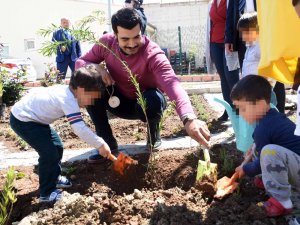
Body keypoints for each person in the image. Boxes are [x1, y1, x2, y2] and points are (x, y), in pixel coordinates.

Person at [75, 8, 210, 163]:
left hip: (146, 105)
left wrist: (189, 118)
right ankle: (107, 144)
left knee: (152, 99)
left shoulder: (153, 54)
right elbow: (80, 62)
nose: (132, 44)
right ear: (115, 35)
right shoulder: (106, 44)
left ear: (142, 32)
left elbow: (173, 85)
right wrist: (95, 67)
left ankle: (153, 135)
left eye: (136, 37)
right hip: (117, 100)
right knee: (89, 86)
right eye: (125, 39)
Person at [10, 66, 111, 202]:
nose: (91, 102)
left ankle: (54, 177)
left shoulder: (69, 93)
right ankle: (46, 193)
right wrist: (100, 144)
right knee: (49, 154)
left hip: (36, 119)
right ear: (80, 90)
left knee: (57, 146)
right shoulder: (67, 100)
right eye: (91, 98)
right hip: (23, 120)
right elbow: (79, 128)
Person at [231, 75, 300, 217]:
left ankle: (282, 201)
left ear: (261, 105)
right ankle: (269, 181)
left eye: (243, 109)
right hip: (295, 165)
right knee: (257, 147)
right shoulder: (272, 118)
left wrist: (245, 168)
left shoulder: (264, 128)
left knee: (268, 152)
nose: (241, 114)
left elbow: (259, 164)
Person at [207, 0, 239, 122]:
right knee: (223, 78)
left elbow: (234, 18)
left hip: (229, 43)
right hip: (215, 43)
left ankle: (239, 109)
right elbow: (210, 24)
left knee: (231, 76)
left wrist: (232, 40)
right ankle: (228, 109)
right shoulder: (212, 3)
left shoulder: (230, 1)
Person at [237, 12, 260, 77]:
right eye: (242, 33)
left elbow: (269, 65)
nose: (244, 36)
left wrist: (267, 82)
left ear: (257, 29)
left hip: (259, 84)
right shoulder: (249, 46)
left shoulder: (259, 47)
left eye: (248, 33)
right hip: (249, 83)